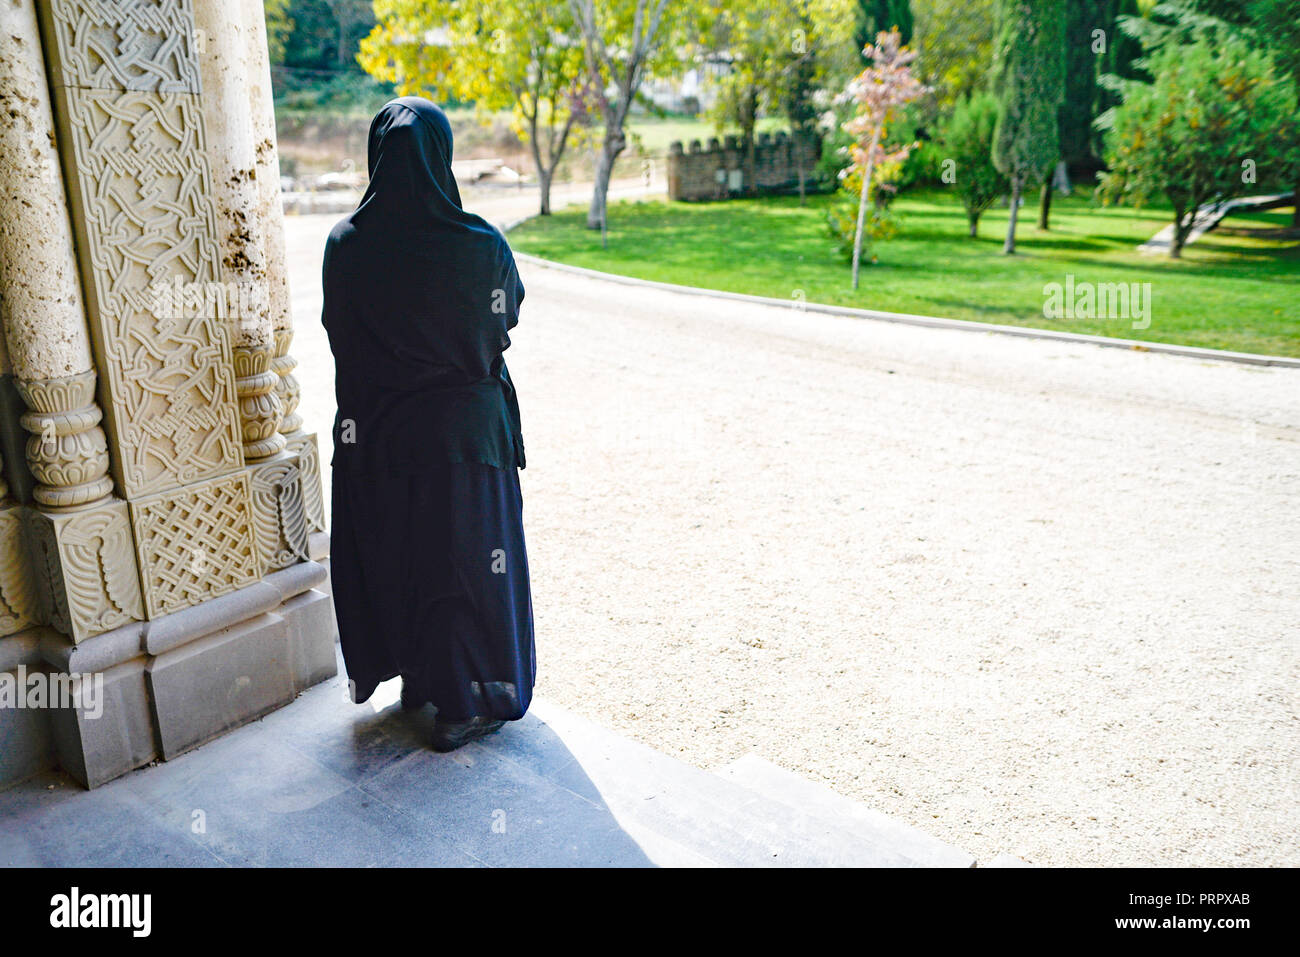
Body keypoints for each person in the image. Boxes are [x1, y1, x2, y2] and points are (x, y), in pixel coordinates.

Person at [321, 97, 534, 753]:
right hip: (465, 439)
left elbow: (340, 333)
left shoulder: (347, 245)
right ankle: (464, 702)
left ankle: (419, 674)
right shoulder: (480, 247)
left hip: (379, 436)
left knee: (402, 554)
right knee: (469, 566)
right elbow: (505, 321)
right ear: (442, 157)